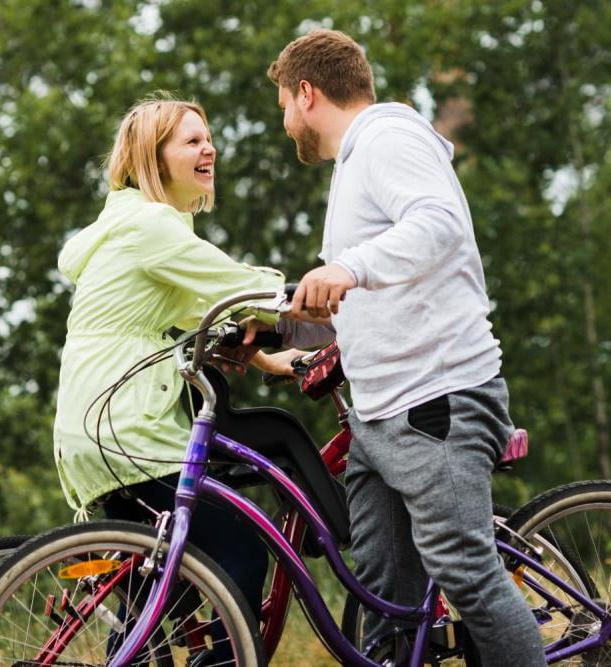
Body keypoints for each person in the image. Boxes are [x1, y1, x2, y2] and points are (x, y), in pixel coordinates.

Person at [256, 30, 548, 665]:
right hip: (382, 417)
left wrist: (349, 267)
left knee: (465, 572)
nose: (284, 122)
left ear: (306, 94)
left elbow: (438, 224)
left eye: (282, 104)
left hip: (435, 401)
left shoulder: (389, 138)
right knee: (383, 598)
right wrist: (273, 329)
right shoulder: (354, 165)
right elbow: (358, 298)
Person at [52, 93, 297, 646]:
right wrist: (325, 292)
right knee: (237, 550)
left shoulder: (132, 228)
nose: (209, 147)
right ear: (153, 158)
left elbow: (198, 313)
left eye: (208, 138)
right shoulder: (152, 227)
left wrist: (264, 358)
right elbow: (240, 286)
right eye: (191, 140)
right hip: (125, 428)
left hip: (93, 428)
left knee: (161, 595)